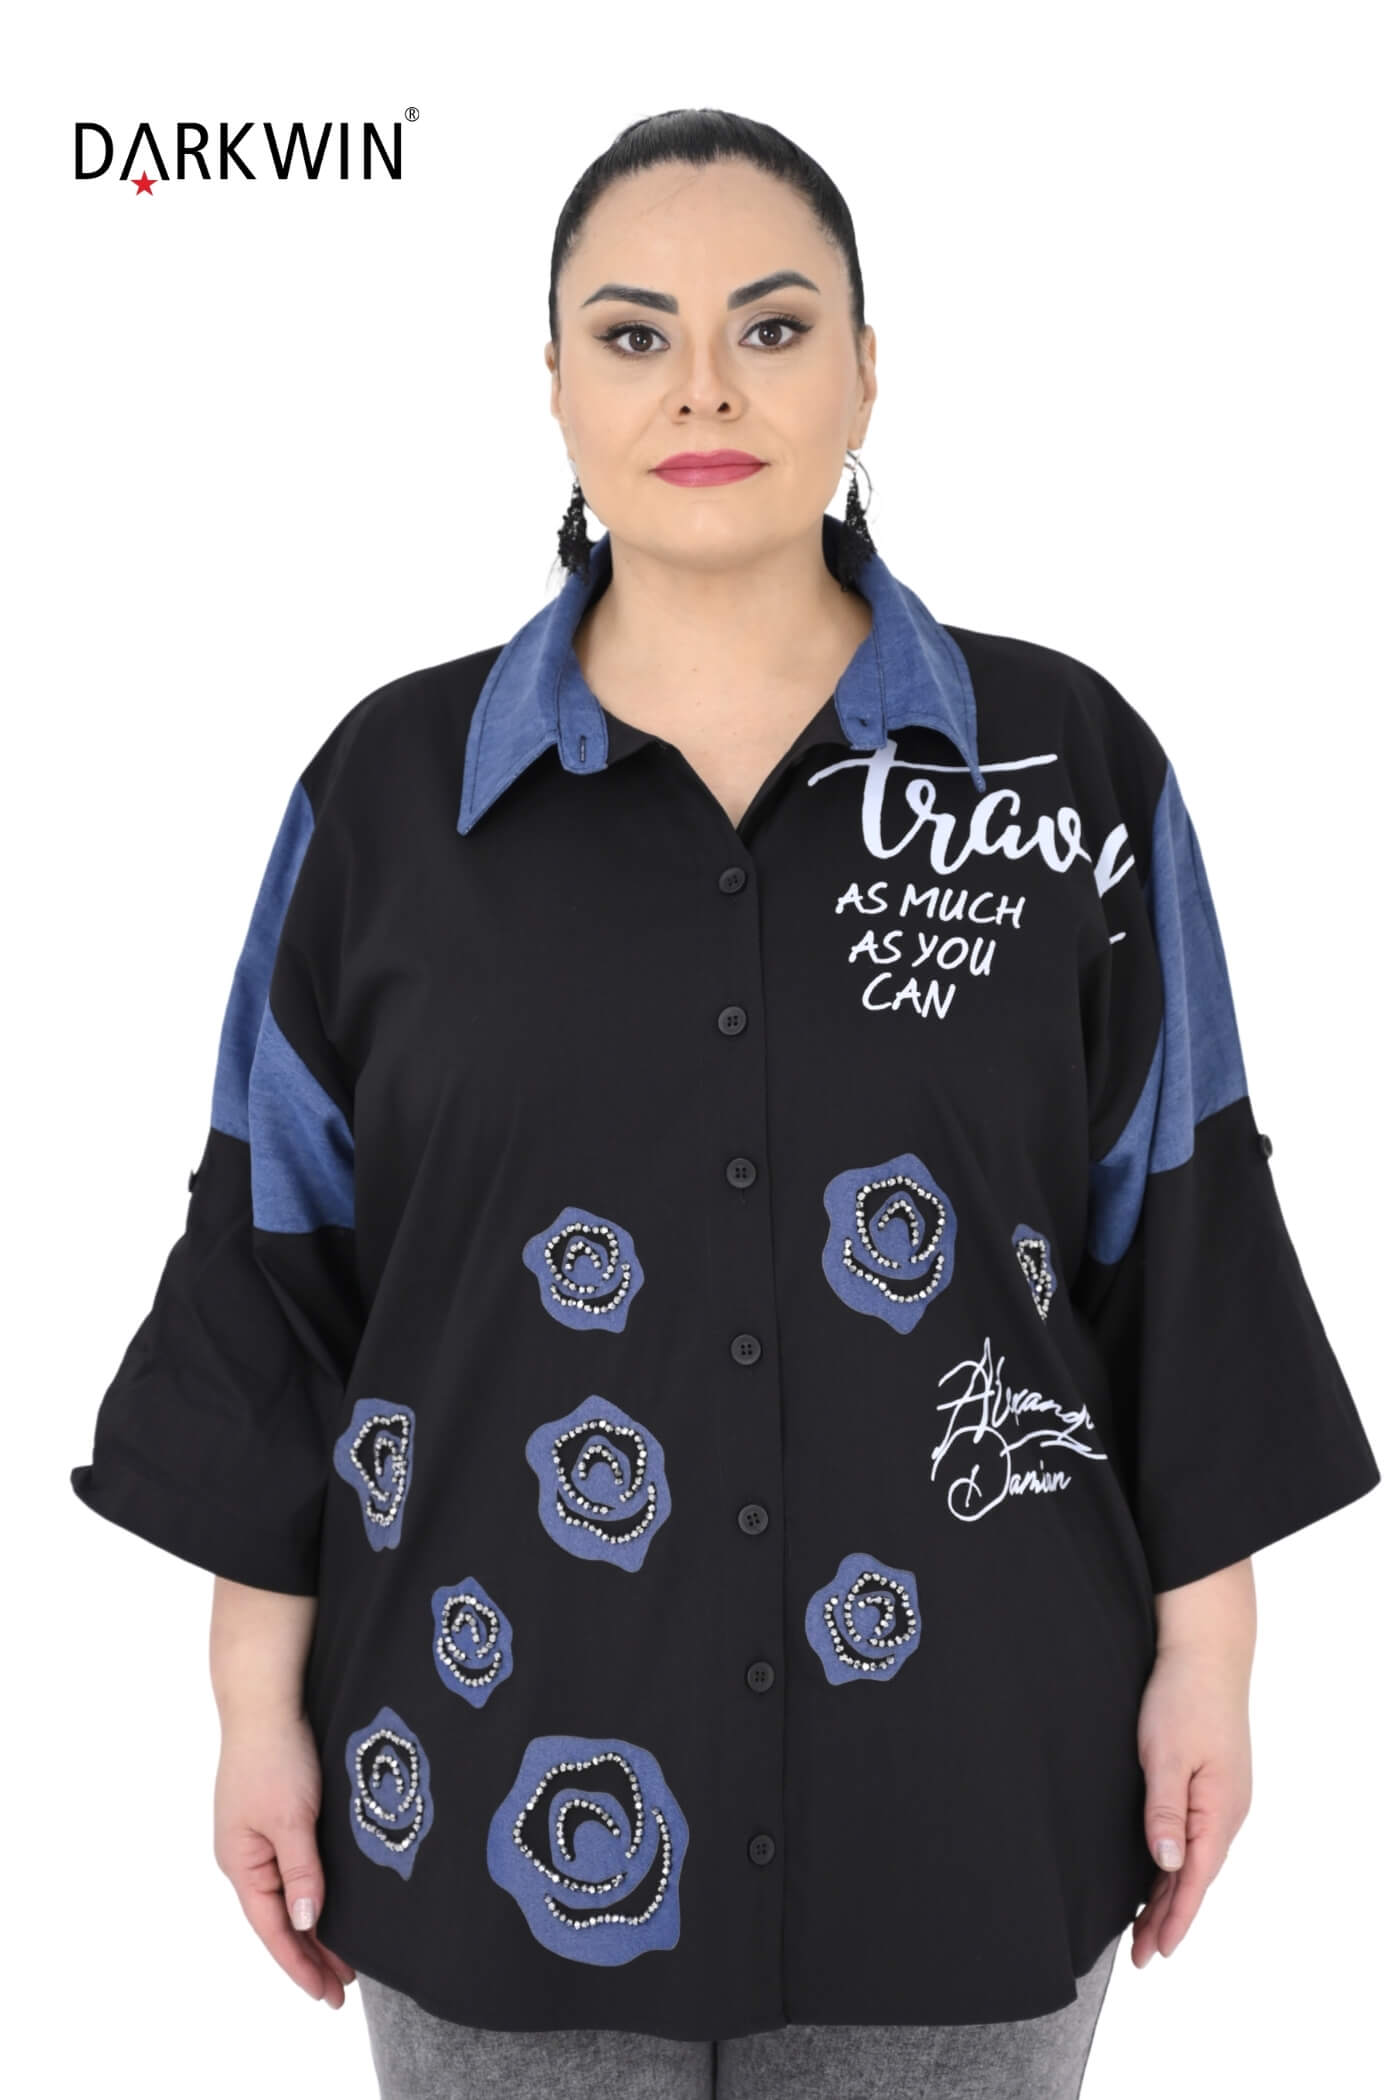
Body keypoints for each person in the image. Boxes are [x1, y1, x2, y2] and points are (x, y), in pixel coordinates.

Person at [69, 107, 1381, 2100]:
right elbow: (282, 1261)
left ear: (866, 370)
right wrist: (253, 1700)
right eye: (633, 334)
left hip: (967, 1778)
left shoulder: (1061, 774)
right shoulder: (389, 798)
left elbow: (1181, 1221)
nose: (703, 388)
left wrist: (1213, 1659)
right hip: (485, 1776)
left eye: (771, 329)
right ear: (553, 384)